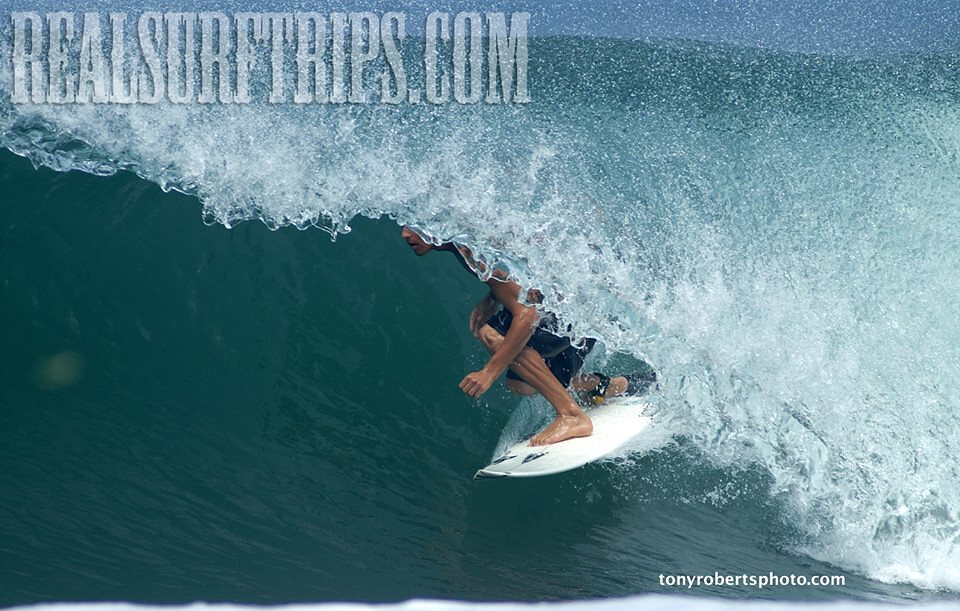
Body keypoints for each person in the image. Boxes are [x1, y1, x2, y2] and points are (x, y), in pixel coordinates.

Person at [400, 226, 650, 445]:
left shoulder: (468, 249)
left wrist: (489, 372)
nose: (404, 235)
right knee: (522, 383)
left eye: (412, 227)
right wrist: (494, 296)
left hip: (569, 313)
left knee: (491, 333)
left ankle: (572, 415)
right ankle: (610, 385)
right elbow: (527, 265)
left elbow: (528, 315)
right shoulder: (470, 232)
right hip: (586, 309)